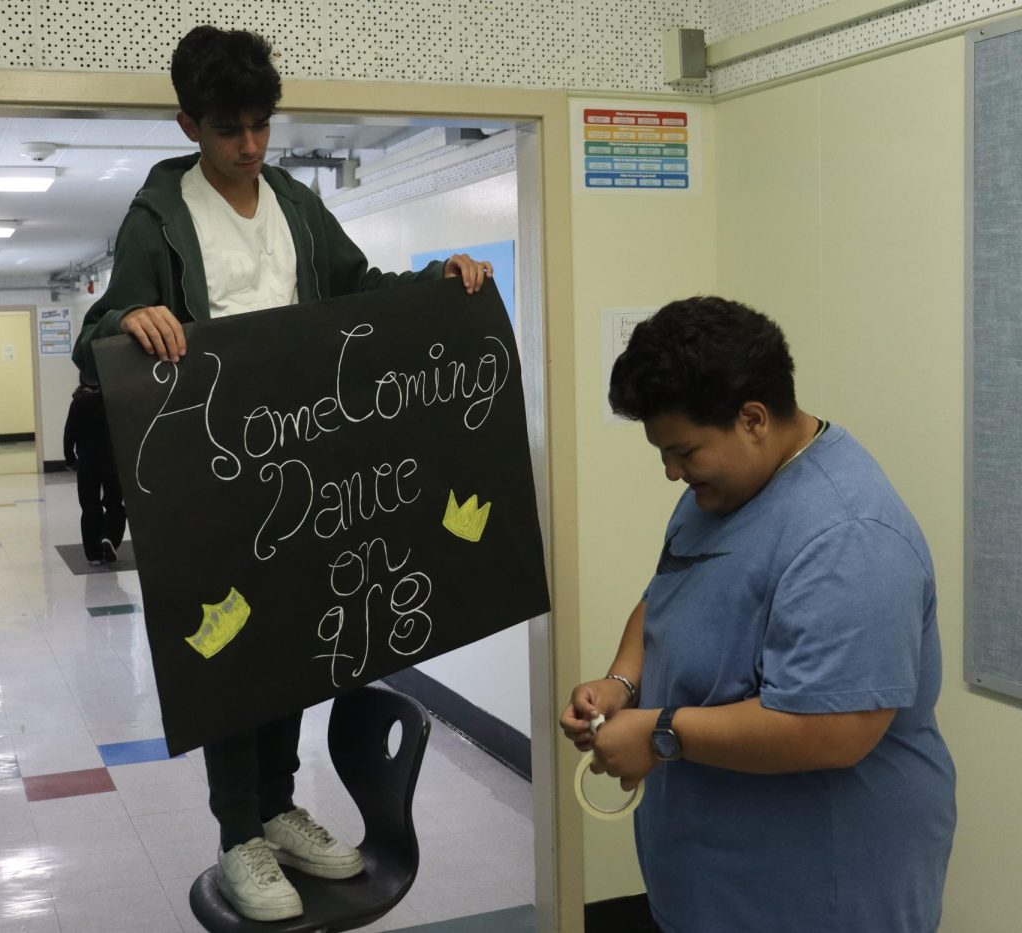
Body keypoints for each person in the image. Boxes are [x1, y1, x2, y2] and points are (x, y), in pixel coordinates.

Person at [71, 25, 493, 923]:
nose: (251, 145)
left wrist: (435, 278)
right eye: (229, 129)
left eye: (262, 124)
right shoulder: (158, 219)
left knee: (296, 647)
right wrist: (133, 318)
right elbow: (97, 336)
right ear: (189, 123)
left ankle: (277, 803)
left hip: (304, 473)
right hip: (212, 481)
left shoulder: (295, 202)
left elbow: (358, 286)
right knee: (230, 657)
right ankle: (239, 836)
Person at [560, 297, 956, 933]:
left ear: (753, 418)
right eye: (661, 452)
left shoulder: (849, 535)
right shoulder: (720, 490)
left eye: (684, 451)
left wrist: (658, 732)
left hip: (818, 893)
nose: (670, 472)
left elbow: (831, 730)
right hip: (712, 881)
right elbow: (666, 595)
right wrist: (623, 682)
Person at [62, 381, 125, 565]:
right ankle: (109, 537)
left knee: (90, 506)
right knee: (114, 502)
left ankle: (94, 554)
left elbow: (69, 432)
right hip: (111, 461)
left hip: (86, 462)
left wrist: (70, 458)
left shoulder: (78, 402)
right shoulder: (112, 400)